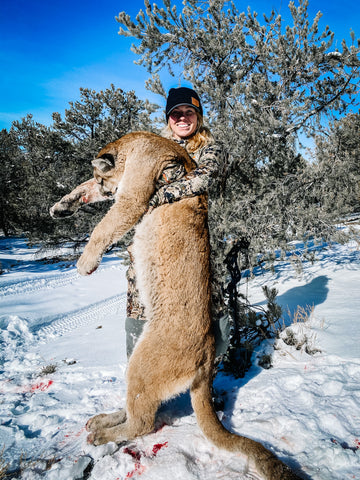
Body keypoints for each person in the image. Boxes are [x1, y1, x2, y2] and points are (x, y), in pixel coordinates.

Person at [125, 87, 230, 358]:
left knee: (211, 316)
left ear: (199, 116)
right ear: (168, 118)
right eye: (176, 113)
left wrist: (154, 197)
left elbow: (203, 179)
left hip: (199, 244)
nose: (182, 118)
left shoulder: (211, 148)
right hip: (154, 241)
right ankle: (143, 389)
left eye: (189, 112)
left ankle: (203, 382)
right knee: (143, 306)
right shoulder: (152, 150)